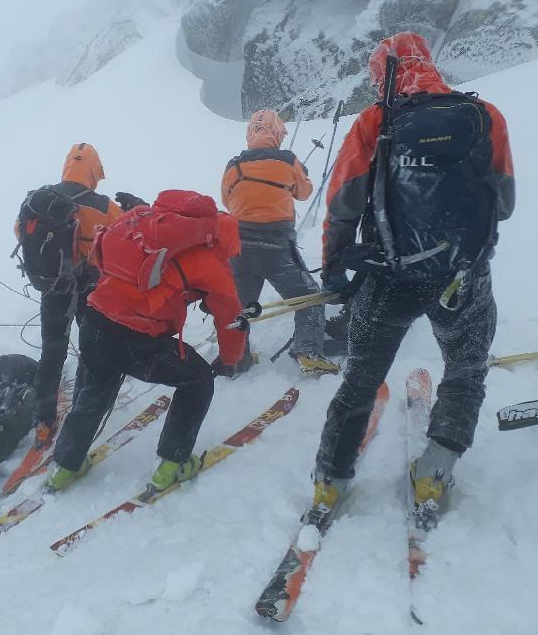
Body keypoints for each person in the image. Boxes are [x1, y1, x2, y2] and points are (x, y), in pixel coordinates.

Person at [312, 31, 515, 521]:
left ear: (382, 74)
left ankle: (329, 483)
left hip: (388, 274)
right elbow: (504, 204)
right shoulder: (484, 117)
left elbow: (342, 205)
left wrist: (336, 273)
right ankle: (436, 468)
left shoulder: (375, 121)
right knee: (465, 373)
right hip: (461, 278)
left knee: (361, 379)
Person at [48, 190, 246, 492]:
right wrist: (231, 359)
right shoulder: (210, 259)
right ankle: (172, 463)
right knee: (197, 379)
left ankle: (64, 466)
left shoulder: (140, 221)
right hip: (137, 339)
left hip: (95, 320)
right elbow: (230, 319)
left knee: (94, 393)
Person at [17, 143, 127, 449]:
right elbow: (124, 239)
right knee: (90, 349)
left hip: (53, 288)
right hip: (92, 288)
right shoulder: (103, 206)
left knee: (52, 353)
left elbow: (21, 234)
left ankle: (43, 421)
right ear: (93, 171)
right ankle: (81, 409)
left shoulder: (38, 201)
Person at [221, 109, 338, 376]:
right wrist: (299, 176)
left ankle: (237, 359)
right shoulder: (288, 161)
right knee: (309, 298)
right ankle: (308, 351)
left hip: (239, 249)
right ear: (277, 133)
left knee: (239, 307)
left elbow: (227, 201)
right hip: (276, 249)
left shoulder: (234, 166)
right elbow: (304, 192)